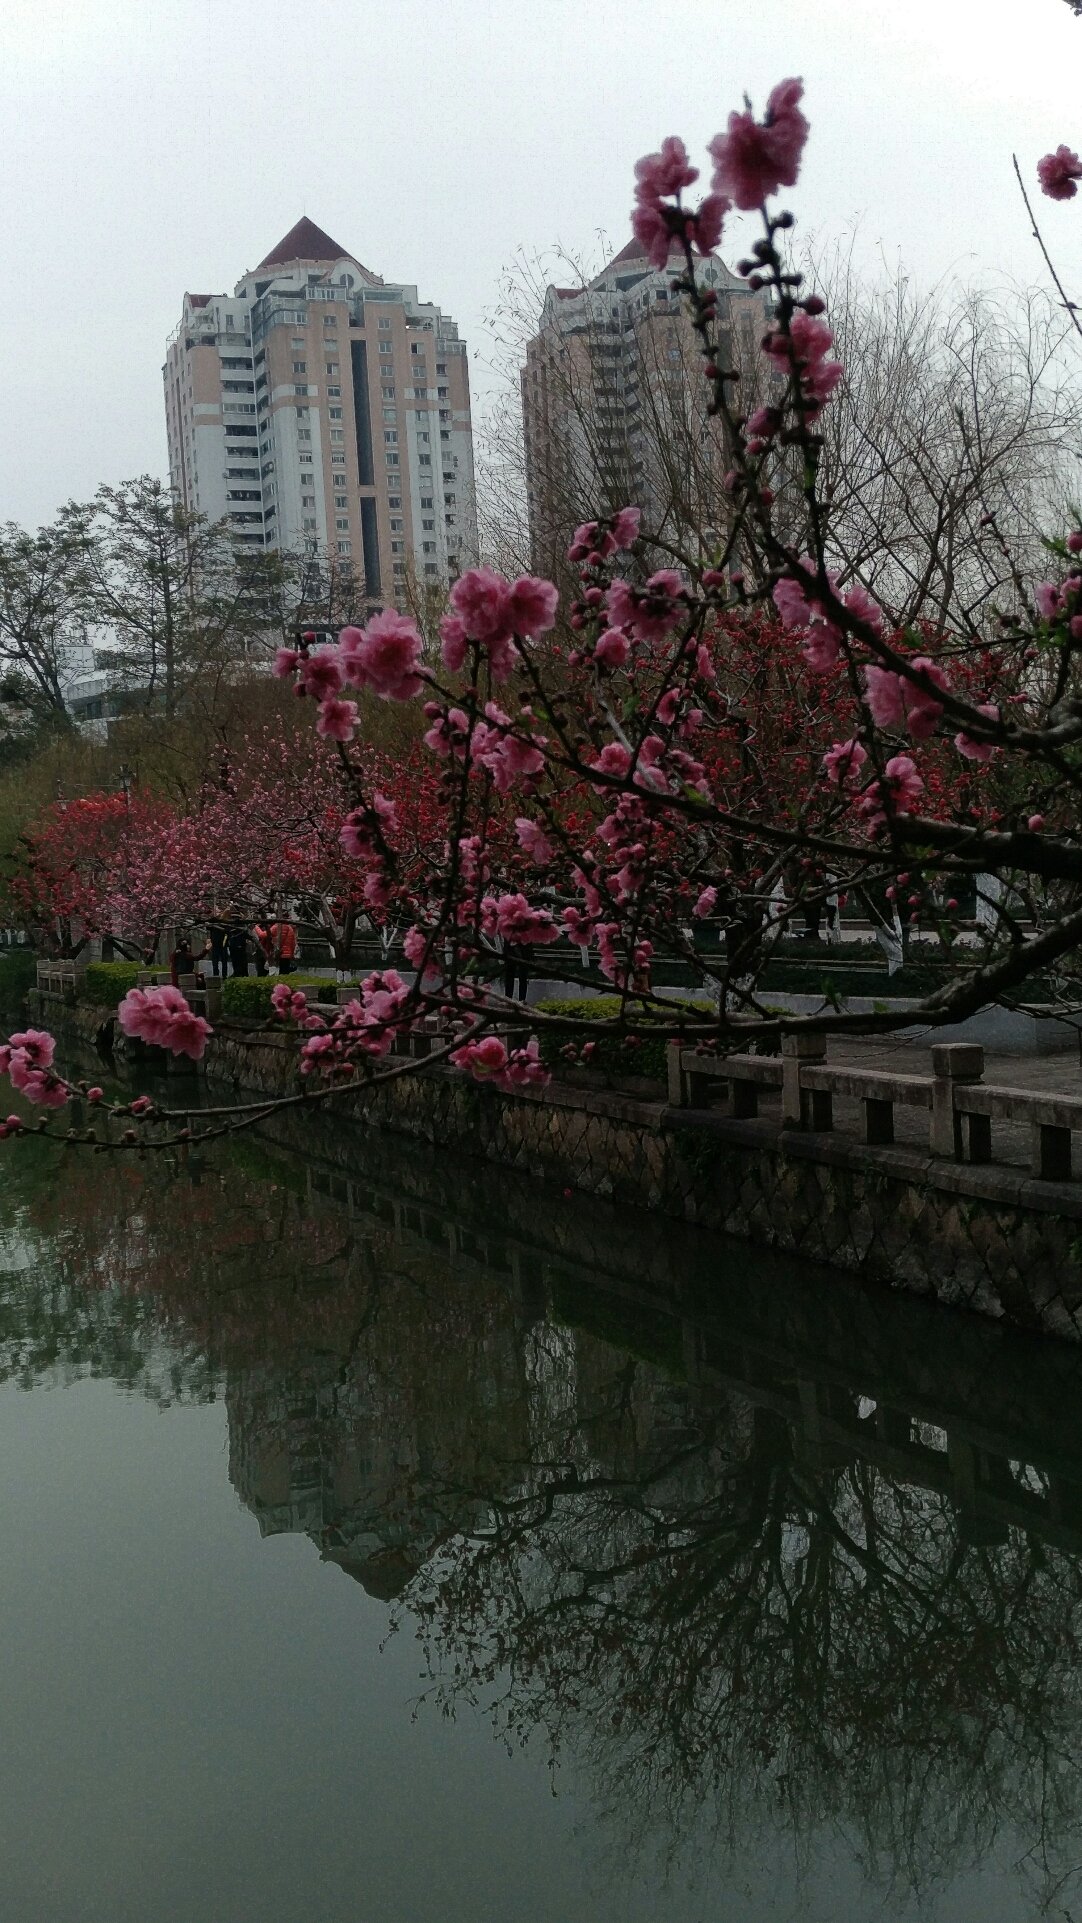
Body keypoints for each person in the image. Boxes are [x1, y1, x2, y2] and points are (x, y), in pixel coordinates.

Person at [206, 913, 228, 979]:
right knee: (215, 963)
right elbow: (208, 926)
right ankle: (216, 975)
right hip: (215, 945)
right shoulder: (213, 924)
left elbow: (227, 931)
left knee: (224, 962)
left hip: (223, 945)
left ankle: (224, 975)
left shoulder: (224, 923)